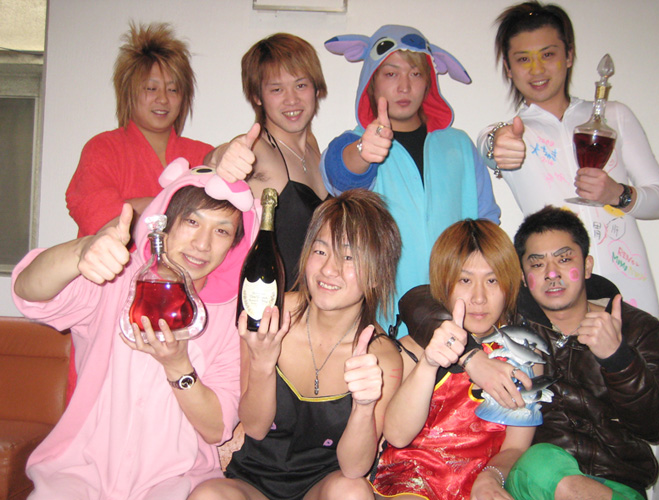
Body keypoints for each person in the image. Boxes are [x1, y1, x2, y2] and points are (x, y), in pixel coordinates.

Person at [12, 162, 258, 499]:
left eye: (222, 231)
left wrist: (178, 366)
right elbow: (29, 292)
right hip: (79, 475)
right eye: (192, 222)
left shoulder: (230, 319)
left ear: (234, 246)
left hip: (174, 483)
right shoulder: (117, 279)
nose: (202, 244)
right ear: (164, 225)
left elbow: (217, 427)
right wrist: (82, 251)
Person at [188, 190, 403, 500]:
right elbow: (255, 427)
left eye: (349, 257)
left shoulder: (381, 357)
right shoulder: (270, 314)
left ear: (377, 275)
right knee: (208, 495)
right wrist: (263, 364)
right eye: (320, 250)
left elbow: (355, 468)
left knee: (352, 492)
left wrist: (364, 406)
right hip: (253, 483)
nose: (329, 269)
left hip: (321, 489)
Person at [478, 1, 659, 318]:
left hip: (628, 289)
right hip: (557, 296)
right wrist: (498, 143)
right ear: (508, 67)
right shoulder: (512, 133)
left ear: (568, 55)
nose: (537, 69)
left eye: (548, 54)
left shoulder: (614, 117)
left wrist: (618, 194)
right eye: (523, 59)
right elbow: (489, 144)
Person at [320, 24, 500, 335]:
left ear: (428, 81)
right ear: (371, 82)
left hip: (459, 319)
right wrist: (363, 150)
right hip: (385, 323)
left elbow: (487, 225)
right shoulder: (357, 143)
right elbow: (338, 175)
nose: (404, 87)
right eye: (391, 74)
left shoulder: (458, 145)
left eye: (415, 74)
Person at [503, 205, 659, 500]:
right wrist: (473, 358)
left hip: (617, 483)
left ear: (587, 266)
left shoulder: (636, 328)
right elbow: (429, 304)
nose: (551, 274)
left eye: (564, 259)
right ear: (523, 276)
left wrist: (618, 358)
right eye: (537, 264)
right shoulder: (511, 326)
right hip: (536, 482)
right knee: (538, 463)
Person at [372, 219, 537, 499]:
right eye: (465, 280)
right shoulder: (412, 347)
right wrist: (428, 364)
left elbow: (516, 447)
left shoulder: (524, 355)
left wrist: (491, 478)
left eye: (492, 280)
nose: (479, 298)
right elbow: (397, 436)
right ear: (444, 283)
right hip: (411, 482)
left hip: (482, 485)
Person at [66, 22, 213, 238]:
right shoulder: (102, 149)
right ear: (128, 92)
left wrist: (138, 206)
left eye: (173, 89)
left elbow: (220, 224)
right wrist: (177, 210)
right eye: (151, 88)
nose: (163, 99)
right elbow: (101, 220)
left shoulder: (203, 155)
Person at [208, 33, 329, 289]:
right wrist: (222, 157)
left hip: (313, 305)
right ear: (257, 97)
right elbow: (220, 158)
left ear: (316, 88)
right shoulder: (258, 147)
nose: (291, 99)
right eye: (276, 89)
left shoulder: (312, 146)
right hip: (266, 307)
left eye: (301, 85)